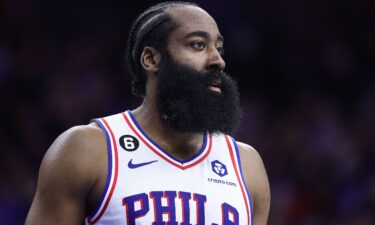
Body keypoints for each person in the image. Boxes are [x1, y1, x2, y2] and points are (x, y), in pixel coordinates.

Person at [25, 2, 270, 225]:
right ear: (151, 59)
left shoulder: (247, 166)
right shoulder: (87, 149)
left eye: (218, 49)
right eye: (198, 45)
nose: (218, 60)